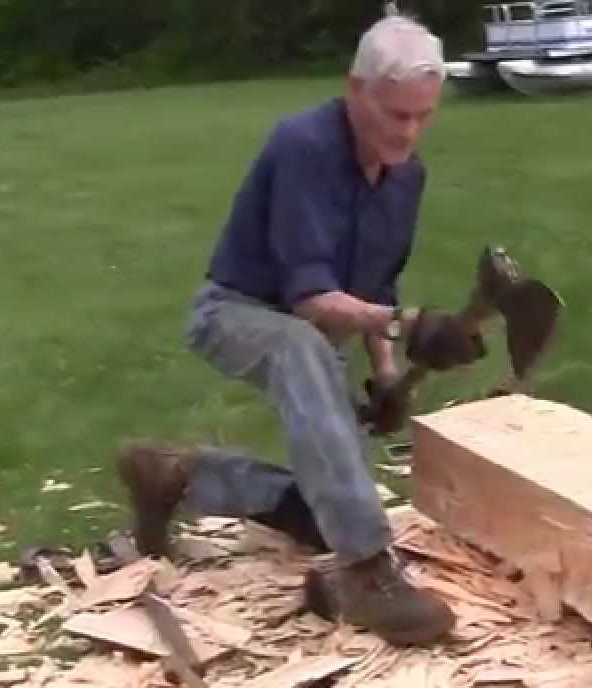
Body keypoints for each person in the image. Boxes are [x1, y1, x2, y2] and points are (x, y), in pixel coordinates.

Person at [116, 13, 485, 647]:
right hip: (236, 311)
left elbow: (374, 289)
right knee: (301, 347)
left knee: (327, 506)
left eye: (424, 116)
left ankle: (177, 475)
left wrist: (390, 375)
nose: (411, 132)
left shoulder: (406, 176)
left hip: (316, 333)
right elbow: (311, 300)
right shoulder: (304, 146)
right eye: (397, 115)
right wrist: (407, 324)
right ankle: (369, 575)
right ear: (356, 89)